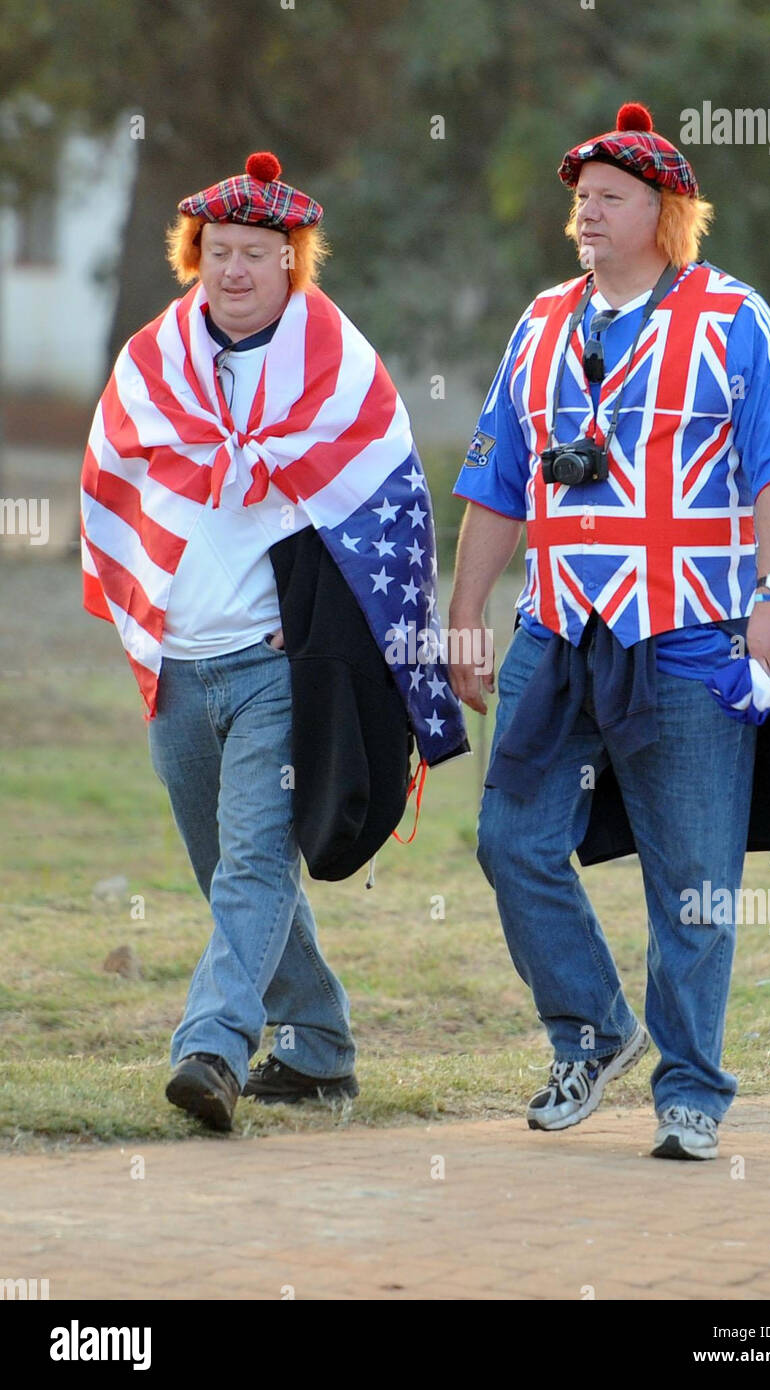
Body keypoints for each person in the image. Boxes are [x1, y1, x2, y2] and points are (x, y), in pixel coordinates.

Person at [449, 103, 770, 1160]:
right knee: (509, 840)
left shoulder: (733, 319)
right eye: (580, 198)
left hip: (690, 637)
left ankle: (693, 1087)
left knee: (692, 876)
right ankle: (589, 1030)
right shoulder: (537, 323)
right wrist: (464, 614)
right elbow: (494, 481)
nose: (586, 213)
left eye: (609, 198)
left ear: (666, 214)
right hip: (557, 632)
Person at [81, 151, 466, 1132]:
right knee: (227, 876)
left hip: (271, 663)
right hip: (177, 660)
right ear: (192, 256)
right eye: (218, 251)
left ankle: (210, 1049)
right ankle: (323, 1048)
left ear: (293, 261)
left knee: (255, 864)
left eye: (257, 253)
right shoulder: (153, 366)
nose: (235, 270)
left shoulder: (336, 371)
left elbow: (389, 500)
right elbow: (114, 478)